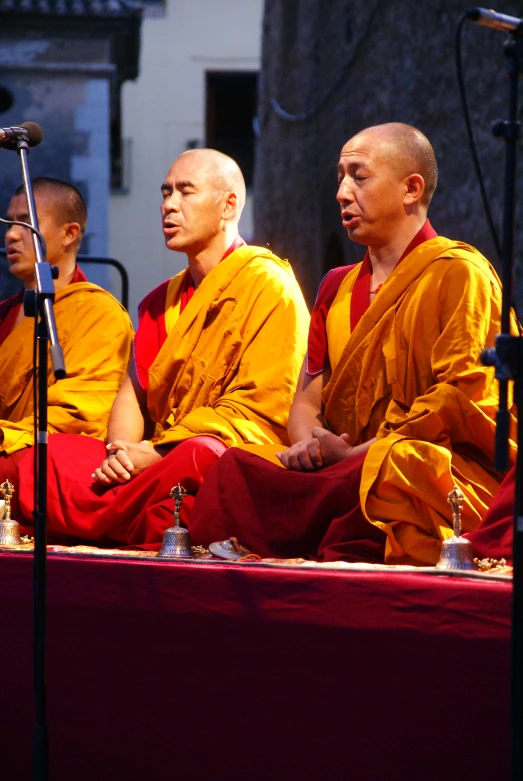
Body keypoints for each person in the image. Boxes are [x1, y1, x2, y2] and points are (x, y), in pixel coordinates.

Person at [189, 122, 517, 566]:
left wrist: (357, 453)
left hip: (424, 465)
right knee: (235, 467)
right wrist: (309, 447)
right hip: (339, 465)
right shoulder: (336, 287)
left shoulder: (459, 274)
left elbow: (464, 398)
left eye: (359, 177)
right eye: (340, 178)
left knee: (393, 465)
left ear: (411, 188)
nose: (342, 193)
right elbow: (306, 404)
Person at [12, 149, 309, 544]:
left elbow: (261, 407)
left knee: (199, 455)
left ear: (228, 206)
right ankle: (130, 508)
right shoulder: (159, 303)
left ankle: (124, 516)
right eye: (165, 192)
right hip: (153, 456)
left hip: (219, 451)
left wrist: (157, 453)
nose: (168, 205)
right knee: (43, 457)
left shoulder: (267, 283)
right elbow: (132, 394)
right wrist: (122, 450)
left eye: (185, 192)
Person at [0, 178, 133, 508]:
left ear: (69, 233)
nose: (11, 235)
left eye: (26, 223)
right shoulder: (4, 314)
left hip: (39, 464)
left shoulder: (99, 314)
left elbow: (77, 418)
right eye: (9, 223)